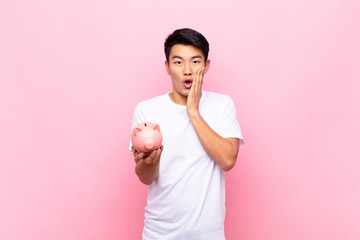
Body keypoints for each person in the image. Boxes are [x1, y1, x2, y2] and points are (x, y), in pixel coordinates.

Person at [130, 28, 244, 240]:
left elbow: (228, 160)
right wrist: (149, 162)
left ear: (206, 66)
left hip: (208, 234)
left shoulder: (222, 105)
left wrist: (193, 110)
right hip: (158, 234)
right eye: (178, 62)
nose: (187, 70)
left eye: (195, 61)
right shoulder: (147, 110)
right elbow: (145, 178)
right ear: (167, 67)